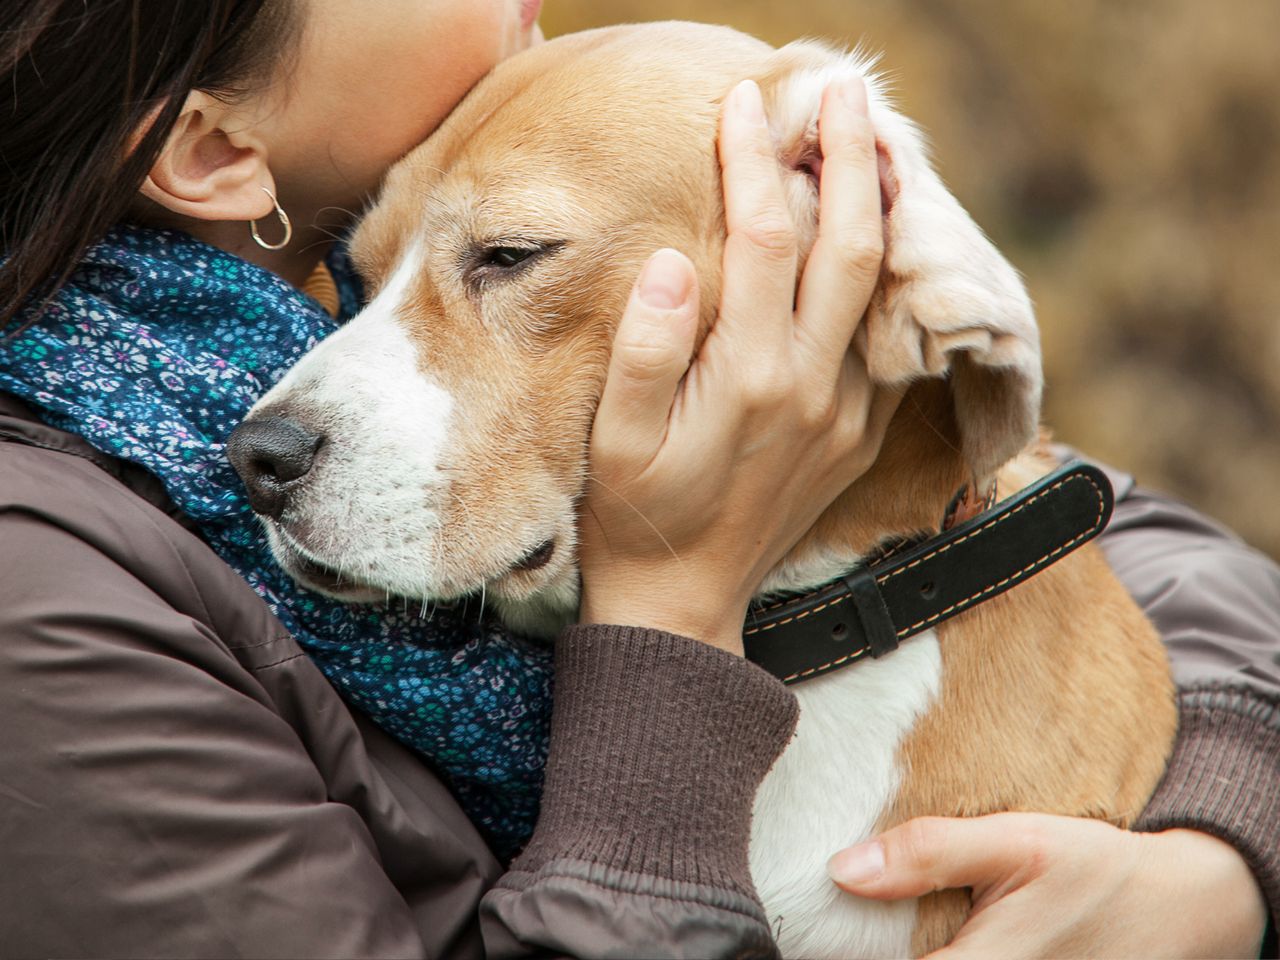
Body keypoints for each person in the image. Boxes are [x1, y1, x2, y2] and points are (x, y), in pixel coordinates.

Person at [0, 1, 1275, 956]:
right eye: (502, 255)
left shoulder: (489, 261)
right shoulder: (46, 601)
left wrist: (1218, 854)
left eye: (499, 257)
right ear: (215, 150)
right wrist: (669, 598)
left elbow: (1065, 505)